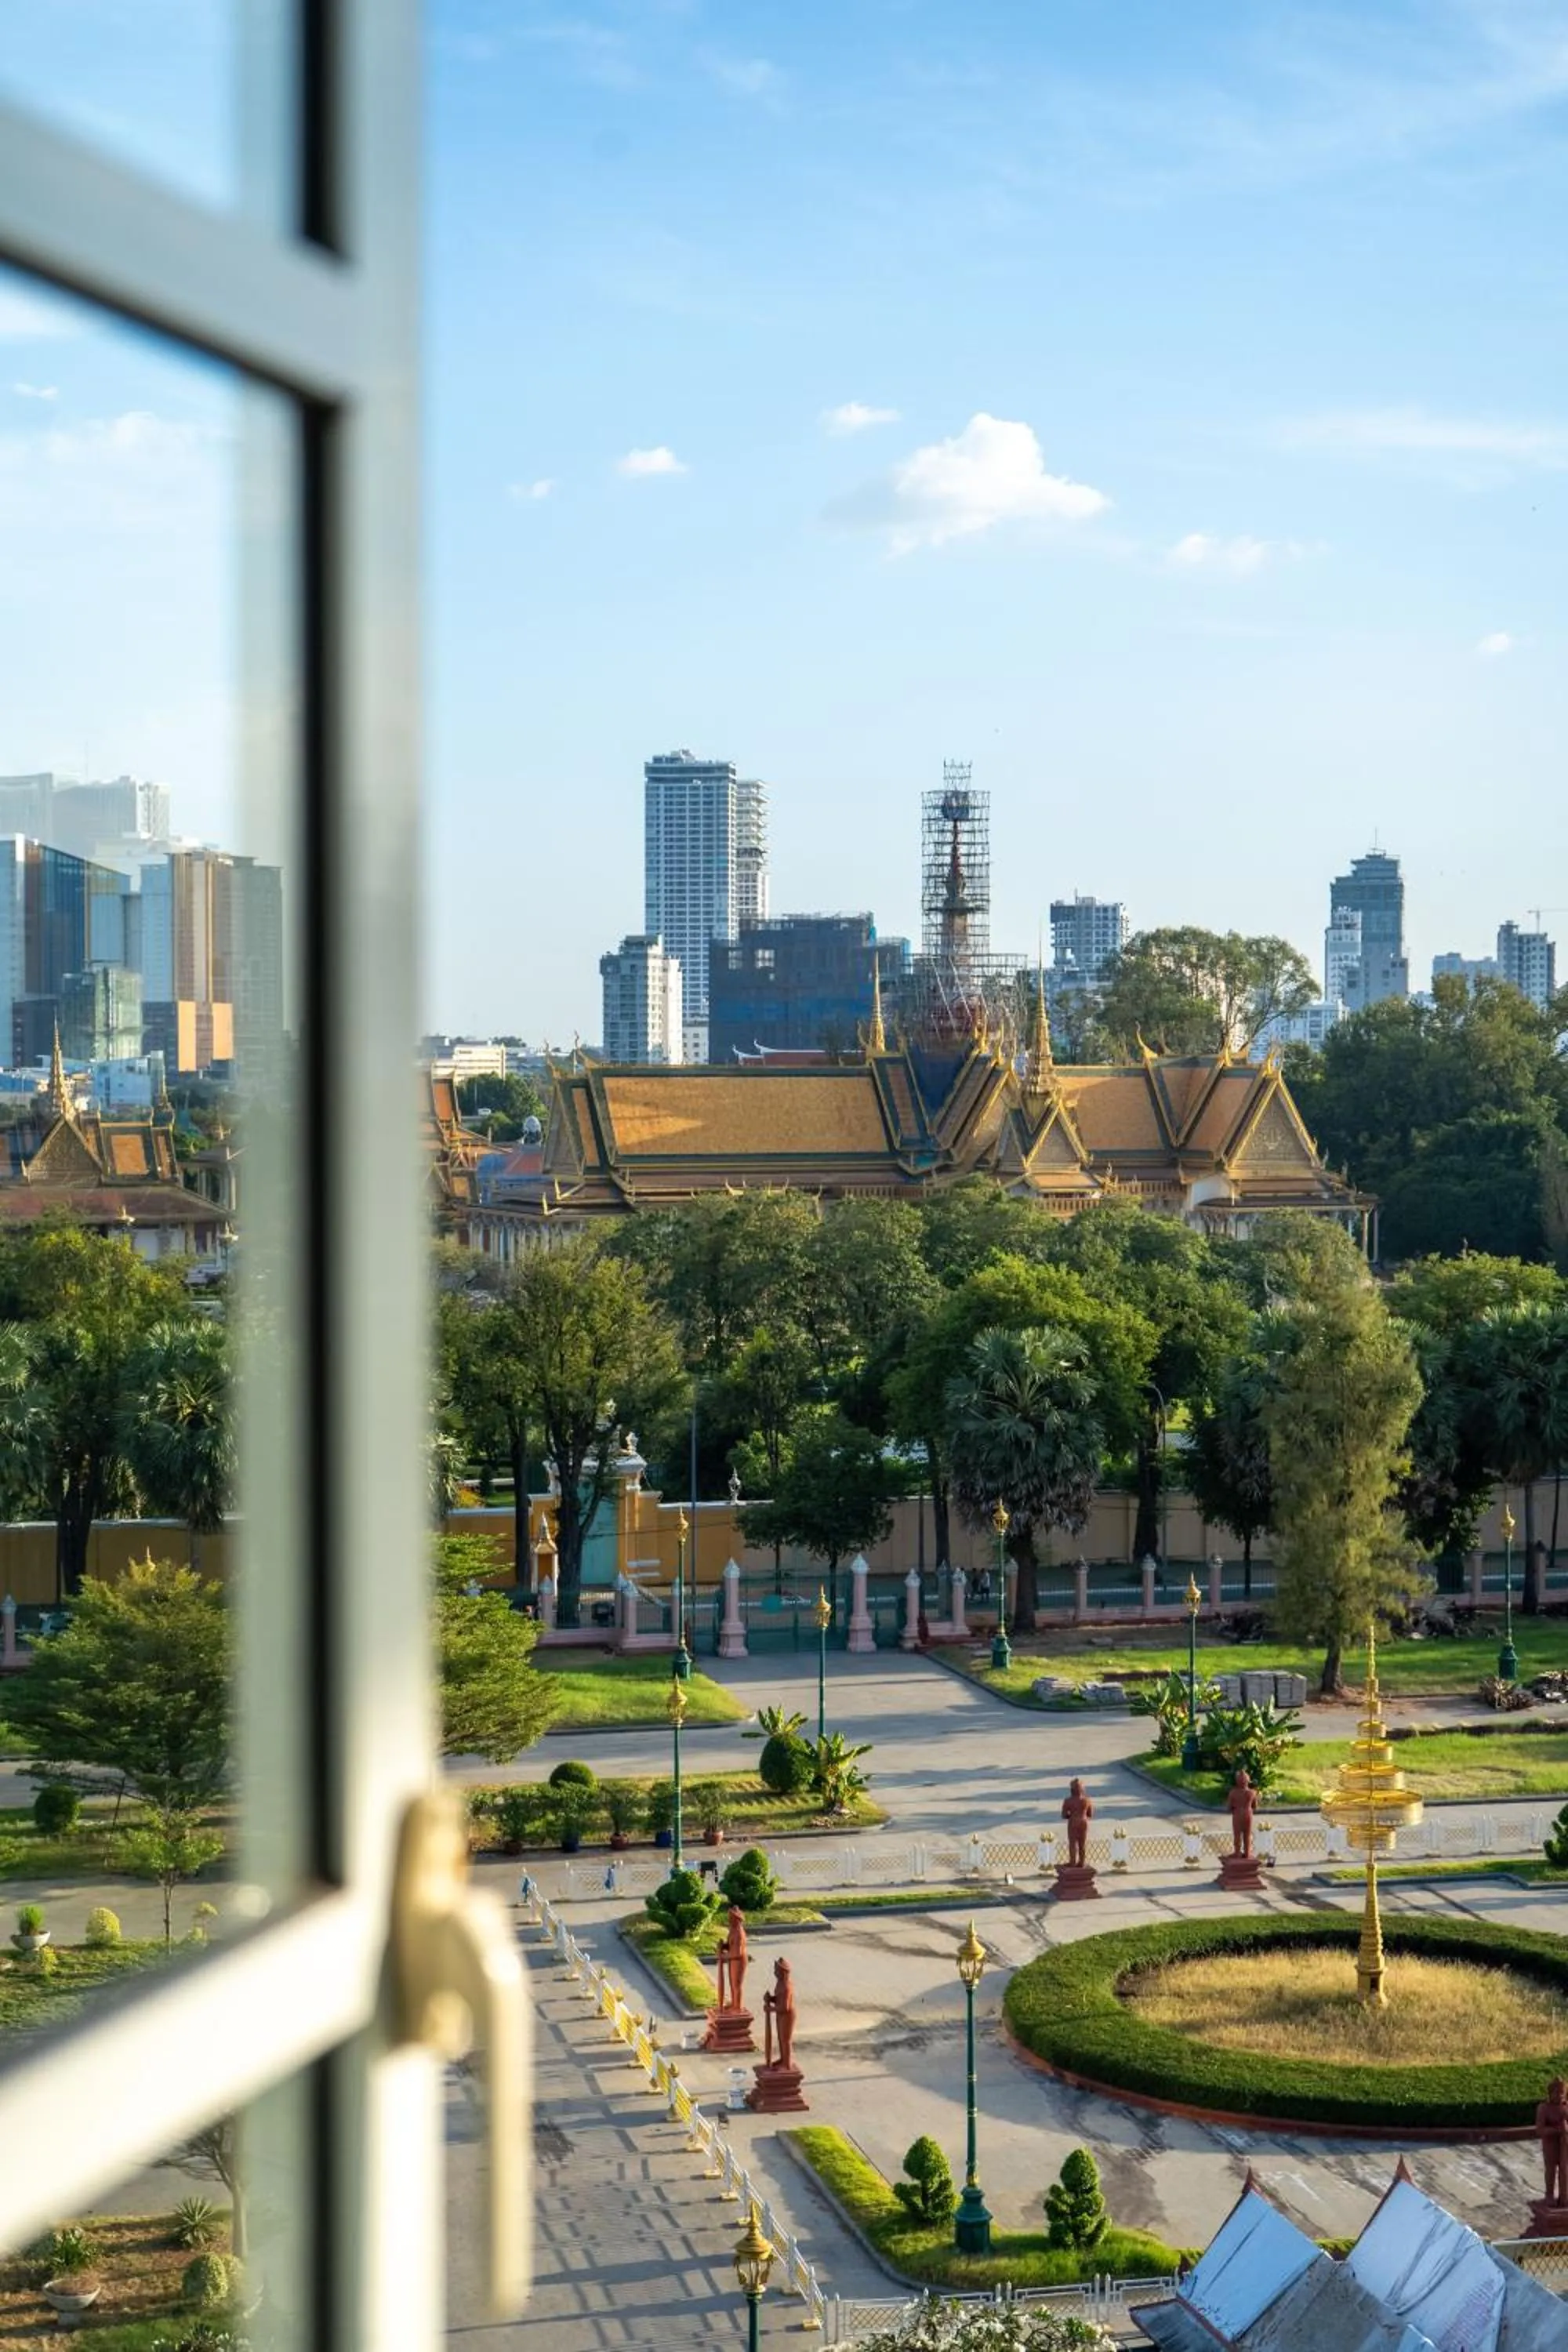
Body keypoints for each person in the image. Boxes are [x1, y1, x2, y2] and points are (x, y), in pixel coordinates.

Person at [1228, 1767, 1258, 1859]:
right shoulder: (1252, 1793)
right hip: (1248, 1814)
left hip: (1237, 1814)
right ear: (1248, 1781)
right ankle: (1247, 1852)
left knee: (1237, 1834)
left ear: (1237, 1781)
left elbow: (1229, 1807)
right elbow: (1255, 1806)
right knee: (1247, 1834)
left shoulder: (1233, 1793)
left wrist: (1233, 1810)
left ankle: (1237, 1852)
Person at [1062, 1777, 1093, 1868]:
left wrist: (1070, 1816)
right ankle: (1082, 1862)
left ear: (1072, 1790)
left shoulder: (1068, 1801)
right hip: (1084, 1822)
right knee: (1082, 1843)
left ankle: (1072, 1862)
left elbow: (1064, 1815)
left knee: (1072, 1843)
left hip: (1073, 1822)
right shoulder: (1087, 1800)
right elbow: (1090, 1814)